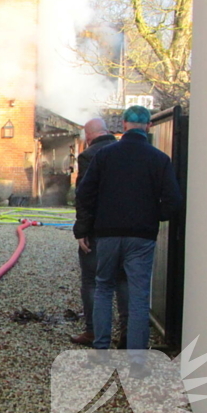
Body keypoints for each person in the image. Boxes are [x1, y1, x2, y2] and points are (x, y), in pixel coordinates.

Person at [74, 105, 183, 372]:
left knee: (103, 288)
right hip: (141, 236)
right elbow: (173, 201)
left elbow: (84, 193)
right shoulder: (159, 159)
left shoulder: (105, 156)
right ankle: (136, 360)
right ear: (148, 126)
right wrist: (153, 215)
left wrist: (86, 228)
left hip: (107, 233)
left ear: (123, 125)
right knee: (138, 295)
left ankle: (101, 352)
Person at [71, 118, 129, 348]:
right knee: (123, 280)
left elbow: (85, 196)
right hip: (126, 228)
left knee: (92, 281)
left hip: (98, 229)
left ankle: (94, 332)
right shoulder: (124, 151)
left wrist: (82, 230)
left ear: (88, 136)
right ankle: (127, 333)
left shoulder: (89, 155)